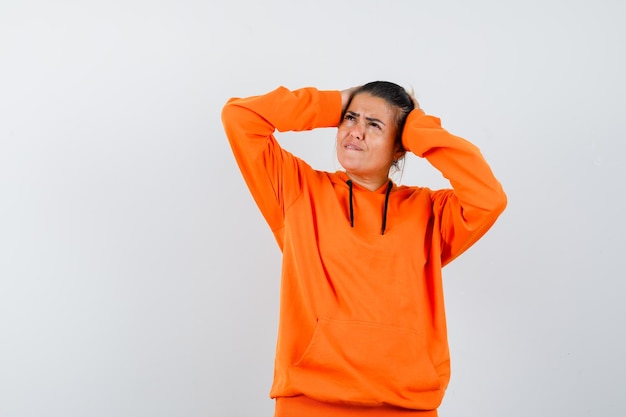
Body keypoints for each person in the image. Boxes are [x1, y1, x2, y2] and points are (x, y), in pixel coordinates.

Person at [221, 81, 507, 417]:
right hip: (310, 404)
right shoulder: (298, 191)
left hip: (407, 406)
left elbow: (488, 199)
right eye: (350, 119)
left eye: (373, 125)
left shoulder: (430, 212)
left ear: (400, 146)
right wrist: (335, 102)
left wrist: (416, 128)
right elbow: (240, 117)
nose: (355, 132)